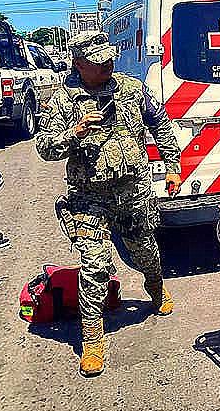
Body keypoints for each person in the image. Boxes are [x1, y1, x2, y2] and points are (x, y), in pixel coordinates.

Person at [35, 31, 183, 378]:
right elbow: (44, 149)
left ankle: (157, 290)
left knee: (146, 251)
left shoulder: (130, 88)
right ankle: (92, 340)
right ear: (77, 62)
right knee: (95, 268)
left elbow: (159, 122)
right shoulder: (60, 101)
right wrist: (74, 132)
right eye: (98, 61)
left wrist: (173, 165)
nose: (108, 65)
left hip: (133, 191)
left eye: (109, 58)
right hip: (89, 199)